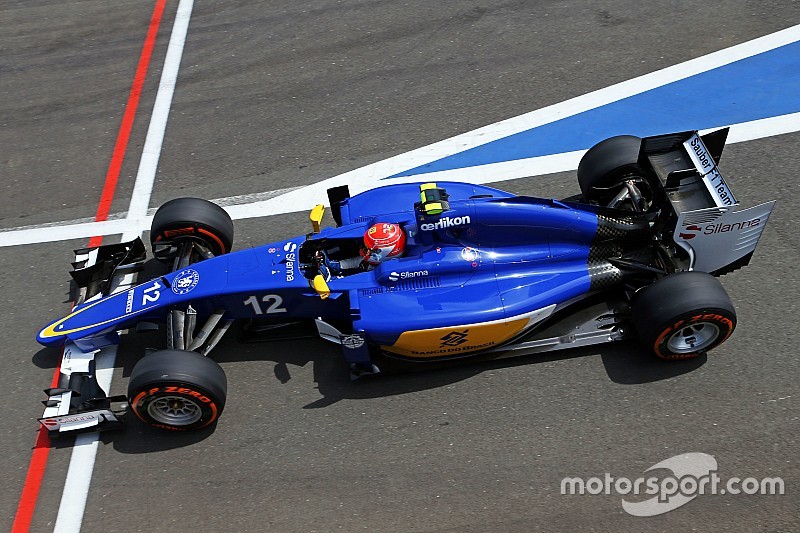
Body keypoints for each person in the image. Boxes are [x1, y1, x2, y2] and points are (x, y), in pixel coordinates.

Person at [317, 222, 406, 277]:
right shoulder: (370, 261)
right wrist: (332, 265)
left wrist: (330, 279)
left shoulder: (382, 273)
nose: (363, 249)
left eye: (368, 249)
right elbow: (355, 262)